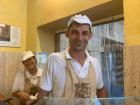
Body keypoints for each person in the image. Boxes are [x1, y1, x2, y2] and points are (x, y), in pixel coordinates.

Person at [38, 14, 107, 100]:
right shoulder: (55, 59)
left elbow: (101, 89)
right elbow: (43, 95)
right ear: (67, 33)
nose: (80, 38)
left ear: (90, 36)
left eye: (85, 33)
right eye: (75, 32)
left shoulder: (94, 63)